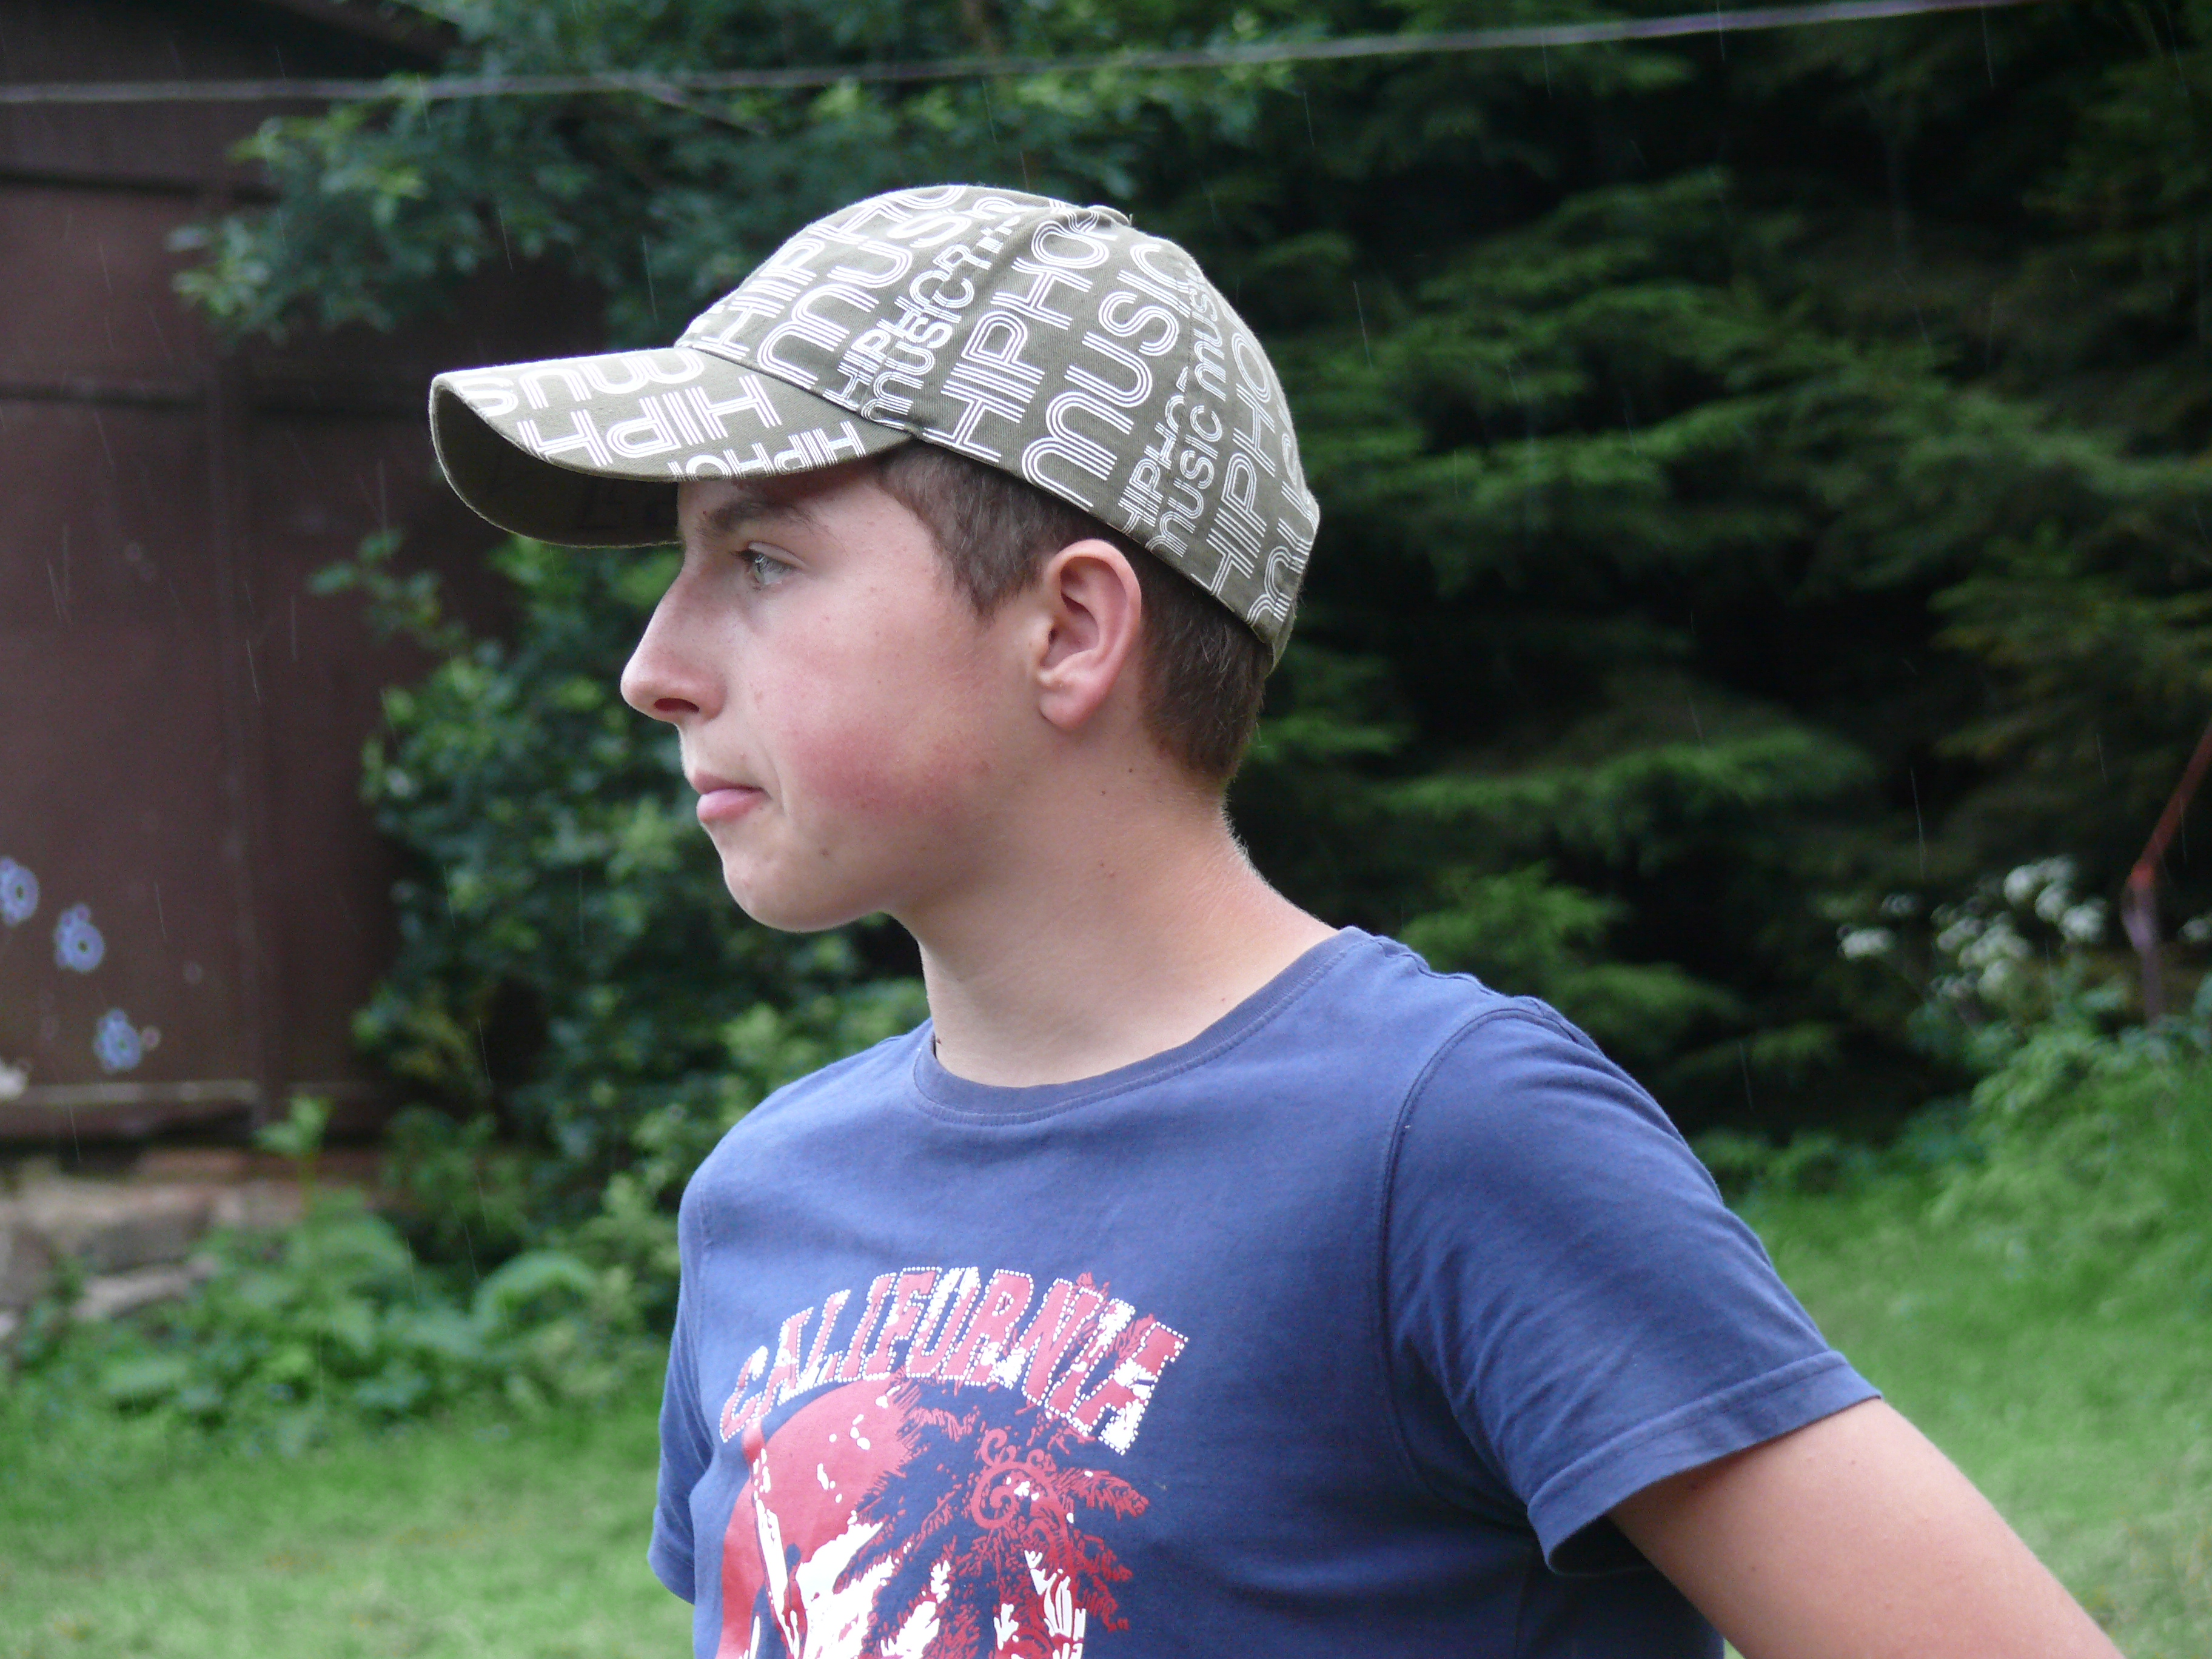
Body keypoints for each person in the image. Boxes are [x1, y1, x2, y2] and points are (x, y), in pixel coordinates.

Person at [427, 185, 2120, 1659]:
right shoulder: (766, 1199)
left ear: (1069, 630)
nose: (652, 666)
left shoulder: (1443, 1140)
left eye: (762, 560)